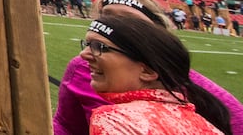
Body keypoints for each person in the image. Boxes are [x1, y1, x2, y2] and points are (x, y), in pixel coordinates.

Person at [54, 0, 243, 135]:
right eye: (106, 16)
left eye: (129, 20)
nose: (114, 24)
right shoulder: (80, 67)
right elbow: (66, 124)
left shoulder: (113, 118)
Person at [79, 14, 231, 134]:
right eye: (87, 45)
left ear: (147, 71)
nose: (84, 55)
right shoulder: (206, 124)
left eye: (99, 47)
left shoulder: (115, 120)